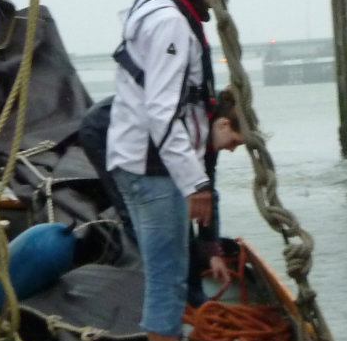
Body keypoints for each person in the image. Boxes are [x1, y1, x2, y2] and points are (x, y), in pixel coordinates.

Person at [106, 0, 241, 341]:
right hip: (152, 169)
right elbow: (162, 111)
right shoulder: (169, 23)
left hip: (143, 161)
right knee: (166, 276)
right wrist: (196, 183)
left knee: (172, 268)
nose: (222, 0)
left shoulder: (157, 8)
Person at [78, 87, 244, 298]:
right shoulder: (188, 123)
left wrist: (212, 252)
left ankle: (192, 295)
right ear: (223, 125)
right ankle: (158, 290)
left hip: (147, 140)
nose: (232, 149)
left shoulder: (207, 135)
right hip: (103, 130)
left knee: (179, 216)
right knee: (136, 214)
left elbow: (207, 196)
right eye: (235, 142)